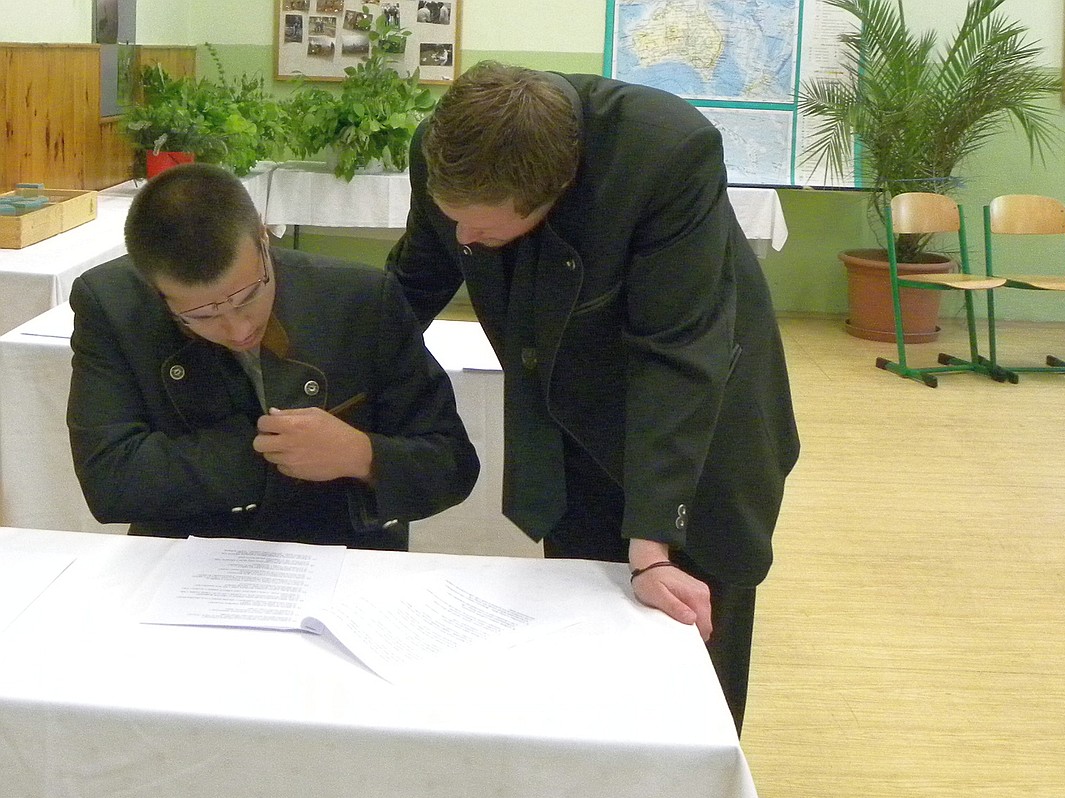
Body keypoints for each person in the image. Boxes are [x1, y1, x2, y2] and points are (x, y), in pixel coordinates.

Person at [386, 61, 801, 733]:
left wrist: (653, 545)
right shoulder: (444, 150)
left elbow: (678, 353)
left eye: (482, 230)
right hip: (570, 424)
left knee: (686, 667)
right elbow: (416, 279)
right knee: (584, 651)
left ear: (552, 191)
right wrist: (334, 365)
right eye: (454, 219)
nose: (463, 239)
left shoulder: (666, 152)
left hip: (699, 431)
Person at [68, 163, 480, 551]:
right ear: (154, 290)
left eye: (249, 295)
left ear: (264, 237)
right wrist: (270, 452)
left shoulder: (361, 298)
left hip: (340, 553)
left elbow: (452, 465)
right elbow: (109, 483)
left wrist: (361, 454)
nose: (238, 330)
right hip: (184, 556)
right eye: (202, 315)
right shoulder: (111, 305)